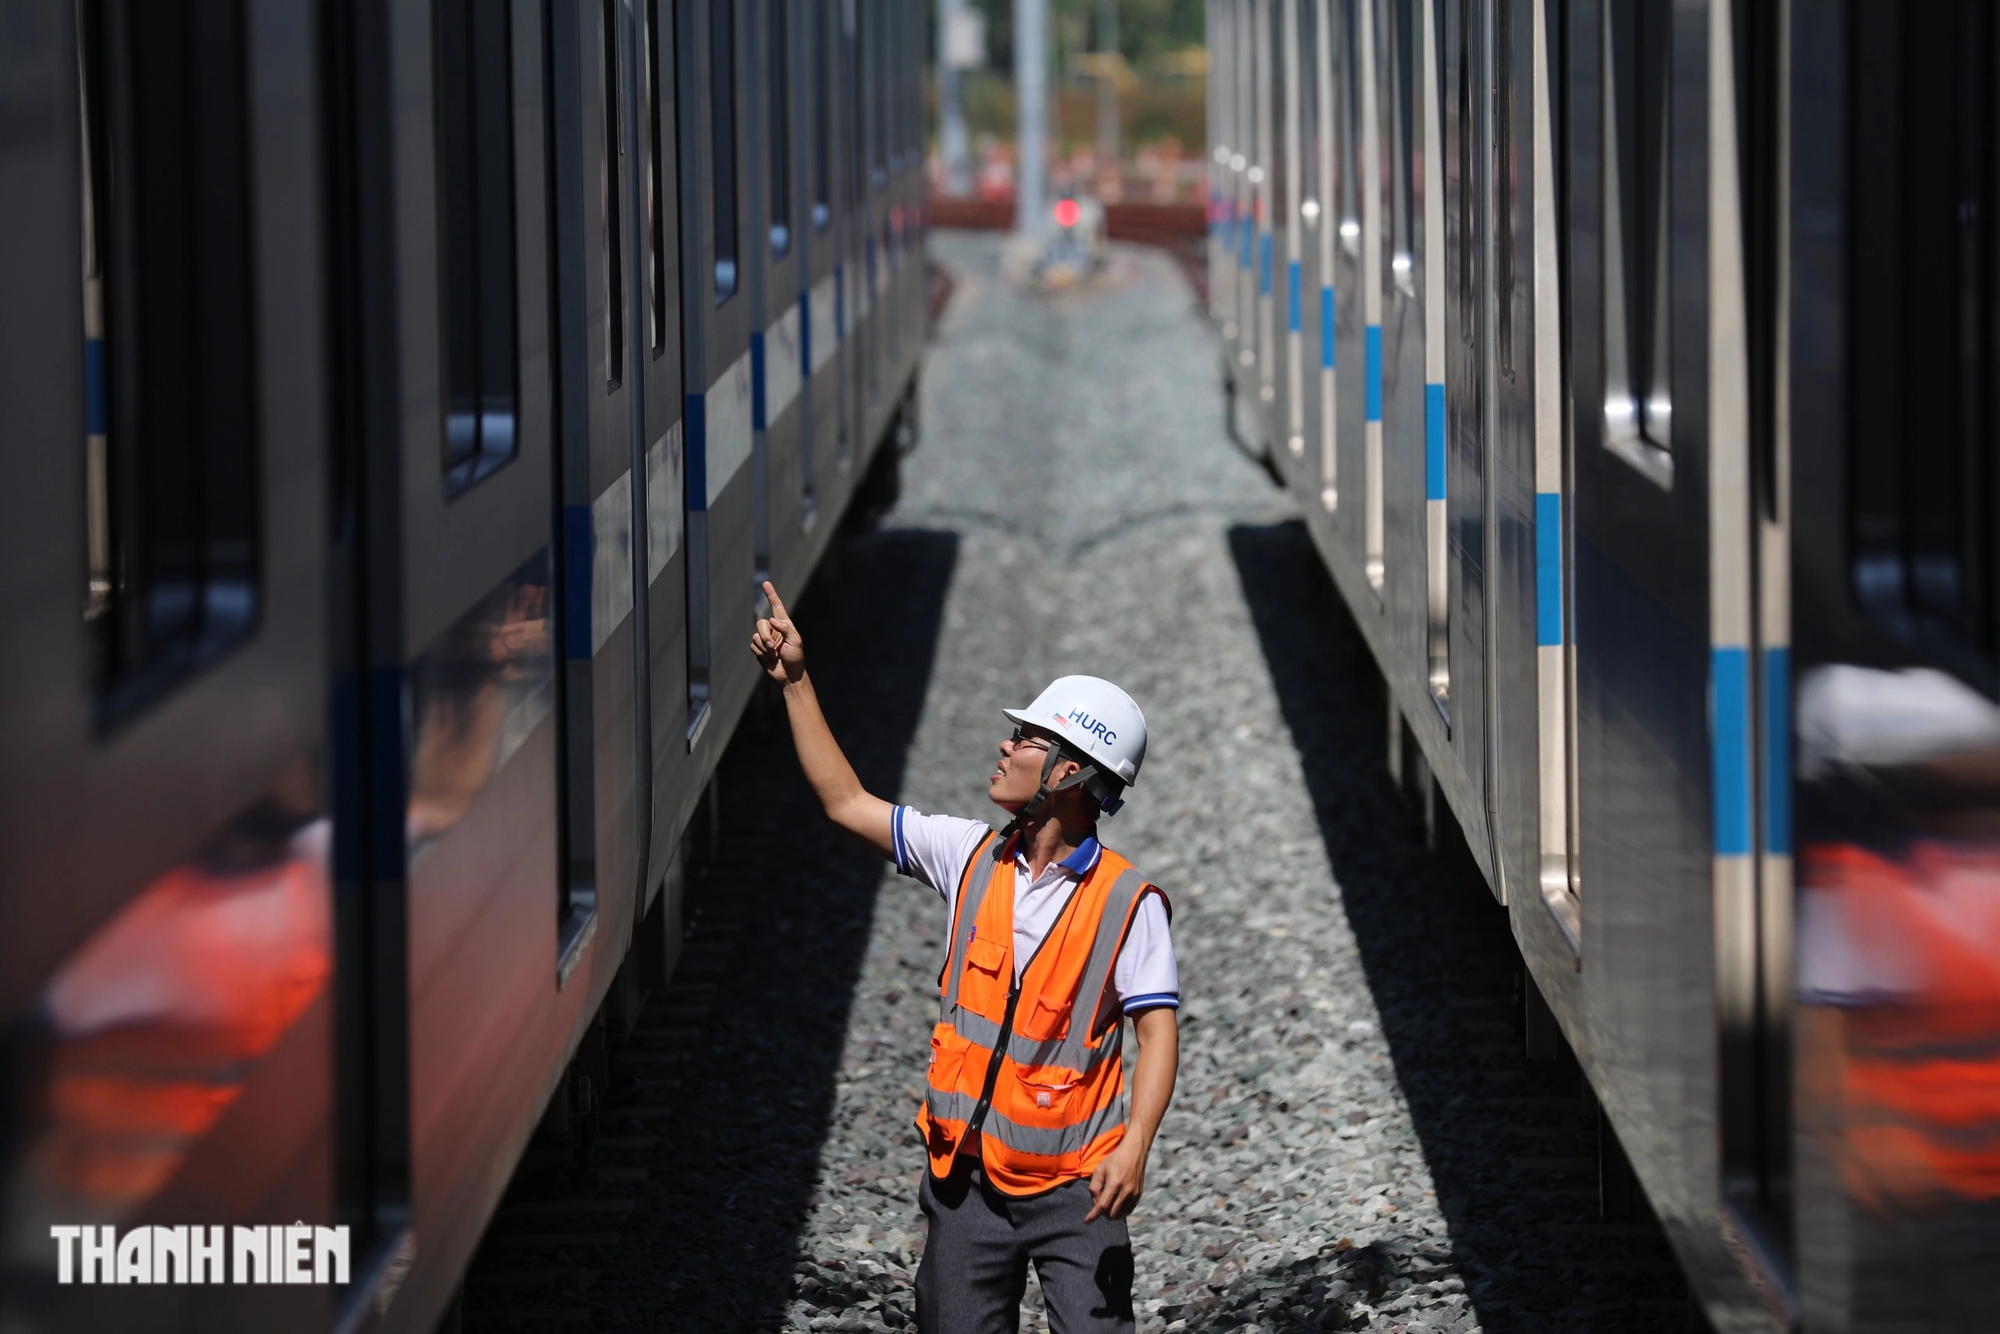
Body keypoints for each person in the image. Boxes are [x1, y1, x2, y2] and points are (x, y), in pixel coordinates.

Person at [751, 581, 1180, 1334]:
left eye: (1025, 740)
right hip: (965, 1185)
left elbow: (1156, 1035)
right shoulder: (967, 856)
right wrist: (795, 681)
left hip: (1076, 1190)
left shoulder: (1128, 903)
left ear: (1071, 774)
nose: (1005, 746)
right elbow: (846, 802)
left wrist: (1135, 1149)